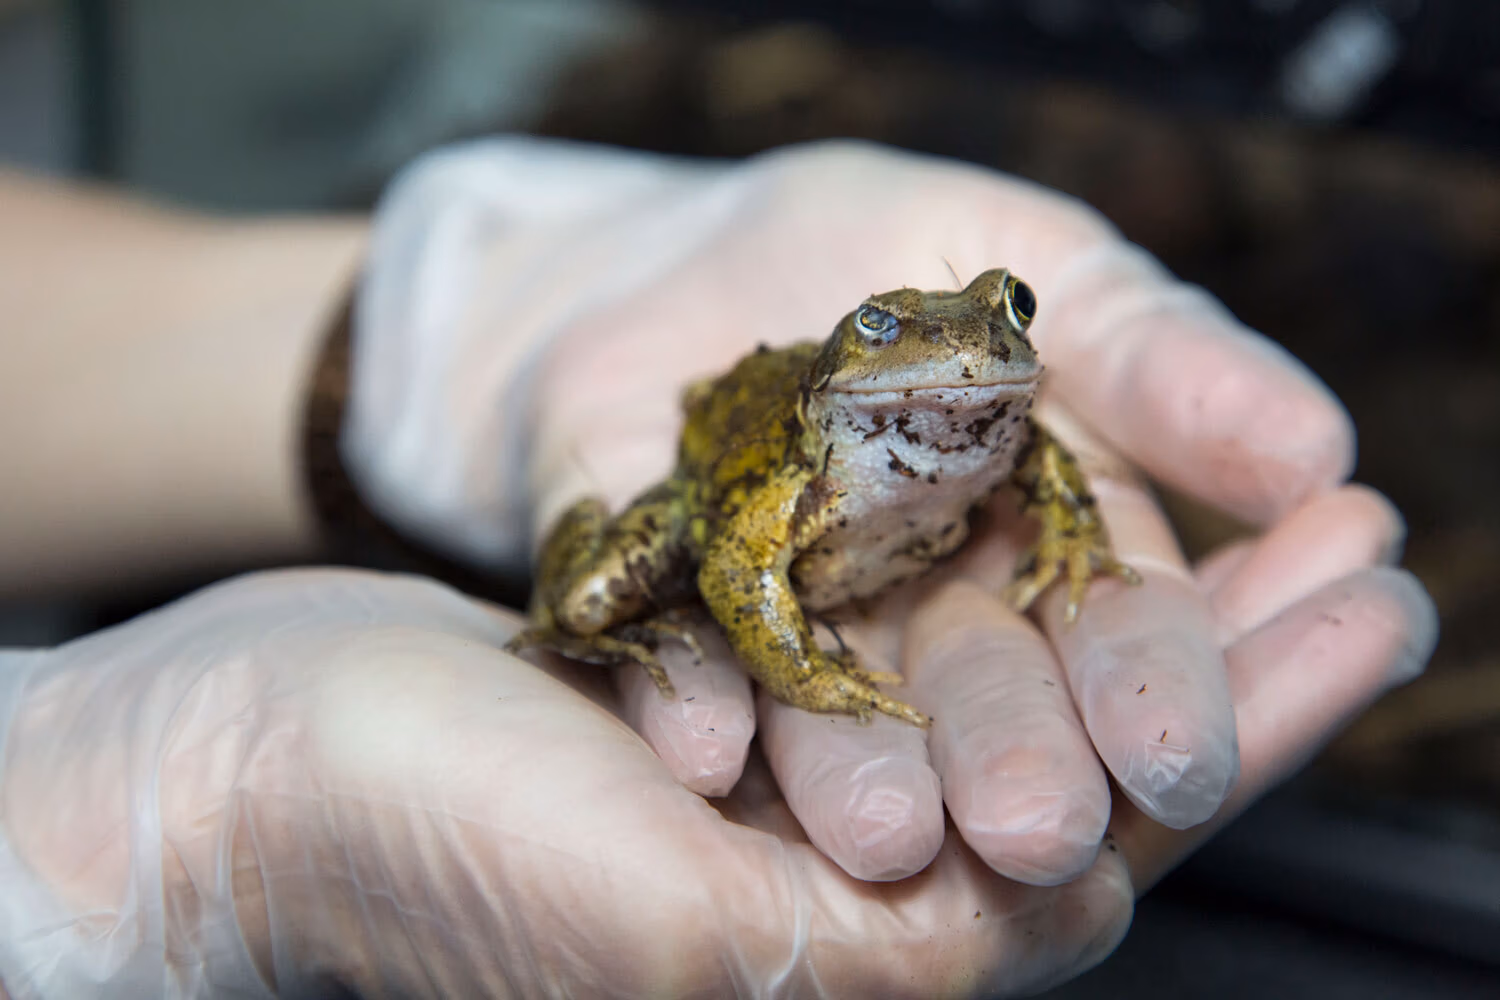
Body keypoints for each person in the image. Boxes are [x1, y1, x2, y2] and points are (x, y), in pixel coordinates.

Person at [0, 138, 1436, 998]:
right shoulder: (799, 463)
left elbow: (1044, 454)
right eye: (891, 330)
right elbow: (748, 570)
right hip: (717, 465)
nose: (965, 346)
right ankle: (602, 629)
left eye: (1000, 320)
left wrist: (413, 325)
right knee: (606, 589)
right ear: (846, 362)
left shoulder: (1008, 418)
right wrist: (811, 672)